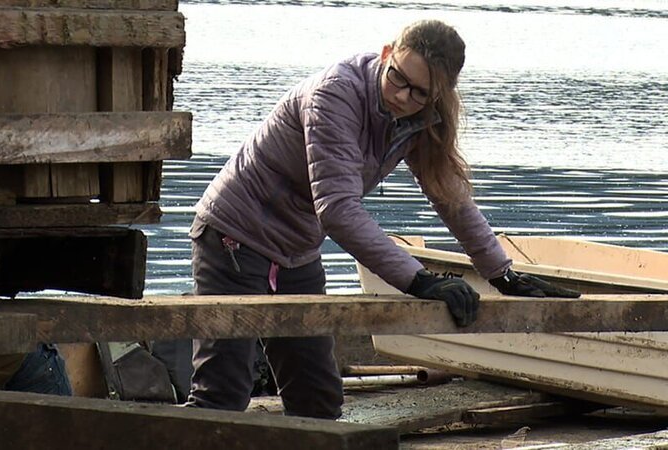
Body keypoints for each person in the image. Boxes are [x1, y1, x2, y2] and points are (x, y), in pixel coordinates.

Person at [185, 19, 580, 420]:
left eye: (420, 92)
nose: (402, 96)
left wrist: (501, 273)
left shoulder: (424, 117)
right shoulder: (335, 94)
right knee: (222, 396)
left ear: (440, 93)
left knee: (317, 400)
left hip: (296, 250)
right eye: (398, 78)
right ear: (388, 53)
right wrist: (419, 280)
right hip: (234, 235)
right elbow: (337, 208)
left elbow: (450, 198)